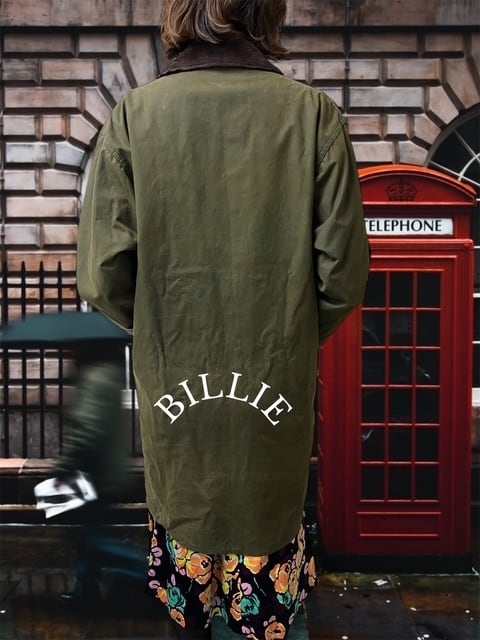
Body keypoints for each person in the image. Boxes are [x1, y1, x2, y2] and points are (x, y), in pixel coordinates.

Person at [76, 0, 370, 637]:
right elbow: (343, 275)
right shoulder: (313, 115)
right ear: (267, 13)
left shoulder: (134, 115)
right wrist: (288, 332)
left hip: (176, 400)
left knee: (186, 603)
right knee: (265, 608)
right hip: (274, 400)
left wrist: (162, 326)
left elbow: (102, 273)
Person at [53, 345, 142, 606]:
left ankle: (146, 571)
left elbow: (87, 431)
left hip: (96, 475)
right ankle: (86, 590)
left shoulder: (95, 378)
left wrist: (64, 466)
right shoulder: (104, 374)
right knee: (87, 535)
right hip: (100, 472)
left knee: (92, 540)